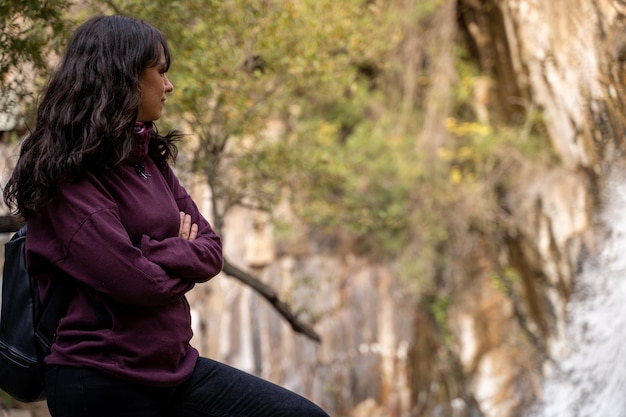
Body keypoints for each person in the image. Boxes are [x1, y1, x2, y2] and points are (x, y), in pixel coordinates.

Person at [3, 15, 329, 417]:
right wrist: (176, 247)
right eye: (160, 72)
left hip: (175, 369)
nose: (169, 85)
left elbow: (210, 250)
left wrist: (151, 251)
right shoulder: (68, 176)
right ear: (123, 77)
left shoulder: (146, 158)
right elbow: (132, 280)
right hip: (102, 381)